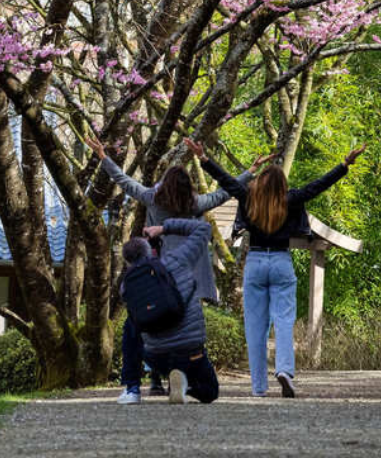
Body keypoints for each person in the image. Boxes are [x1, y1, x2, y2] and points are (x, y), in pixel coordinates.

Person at [200, 142, 366, 398]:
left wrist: (204, 158)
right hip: (280, 261)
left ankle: (258, 387)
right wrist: (344, 164)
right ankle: (284, 371)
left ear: (261, 183)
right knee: (284, 321)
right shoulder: (291, 199)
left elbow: (228, 181)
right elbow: (318, 185)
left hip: (255, 262)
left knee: (255, 327)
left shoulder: (248, 197)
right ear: (282, 185)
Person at [92, 137, 248, 400]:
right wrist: (249, 173)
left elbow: (124, 181)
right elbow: (225, 192)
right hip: (190, 270)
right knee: (186, 320)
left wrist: (103, 157)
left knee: (150, 319)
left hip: (160, 271)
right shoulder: (195, 204)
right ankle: (185, 373)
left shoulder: (152, 198)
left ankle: (150, 381)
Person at [120, 218, 222, 404]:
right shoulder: (178, 259)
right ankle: (187, 385)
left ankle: (132, 389)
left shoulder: (127, 286)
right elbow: (204, 228)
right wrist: (163, 228)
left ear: (128, 262)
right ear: (151, 251)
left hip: (157, 357)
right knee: (210, 392)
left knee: (130, 325)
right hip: (191, 350)